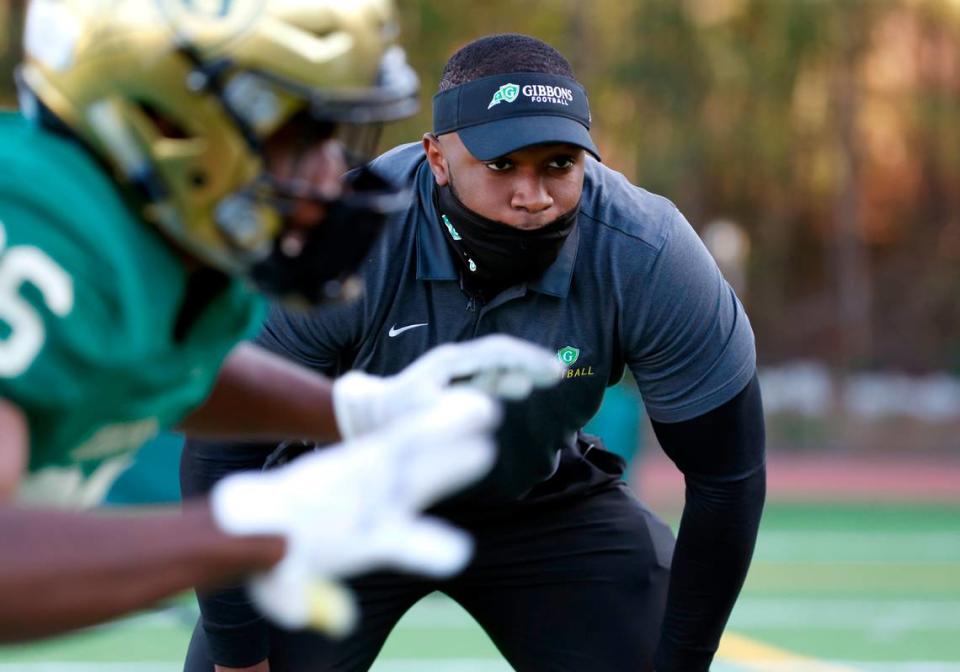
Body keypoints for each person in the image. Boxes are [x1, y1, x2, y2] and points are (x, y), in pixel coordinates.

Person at [183, 33, 766, 672]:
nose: (532, 195)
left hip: (539, 497)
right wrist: (240, 659)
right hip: (346, 491)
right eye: (501, 165)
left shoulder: (647, 254)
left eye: (557, 164)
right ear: (437, 157)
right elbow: (222, 447)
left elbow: (727, 479)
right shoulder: (345, 234)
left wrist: (681, 664)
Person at [0, 3, 564, 642]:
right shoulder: (34, 221)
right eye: (301, 133)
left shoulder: (157, 243)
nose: (330, 173)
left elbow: (152, 362)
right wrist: (250, 528)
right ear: (161, 117)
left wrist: (360, 410)